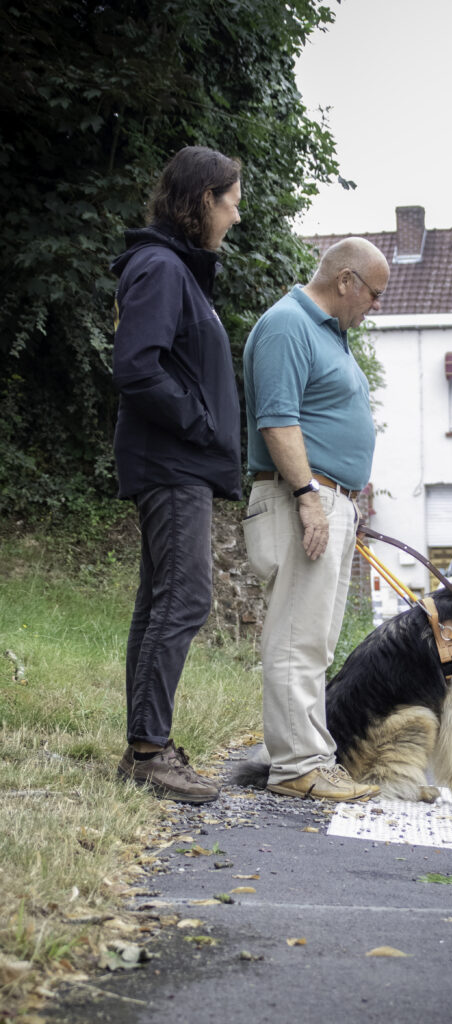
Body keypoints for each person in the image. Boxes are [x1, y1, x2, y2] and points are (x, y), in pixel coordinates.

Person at [111, 145, 243, 803]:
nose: (236, 215)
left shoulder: (174, 270)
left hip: (175, 458)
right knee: (185, 597)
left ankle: (145, 745)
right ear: (202, 201)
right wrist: (197, 421)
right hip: (171, 461)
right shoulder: (161, 268)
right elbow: (136, 366)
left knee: (161, 599)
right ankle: (149, 751)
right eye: (232, 200)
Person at [242, 237, 390, 801]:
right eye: (373, 293)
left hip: (331, 498)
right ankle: (296, 768)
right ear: (346, 280)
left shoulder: (331, 335)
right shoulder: (288, 325)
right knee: (295, 640)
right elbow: (277, 422)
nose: (374, 305)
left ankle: (311, 758)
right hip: (302, 498)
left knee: (316, 642)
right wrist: (309, 496)